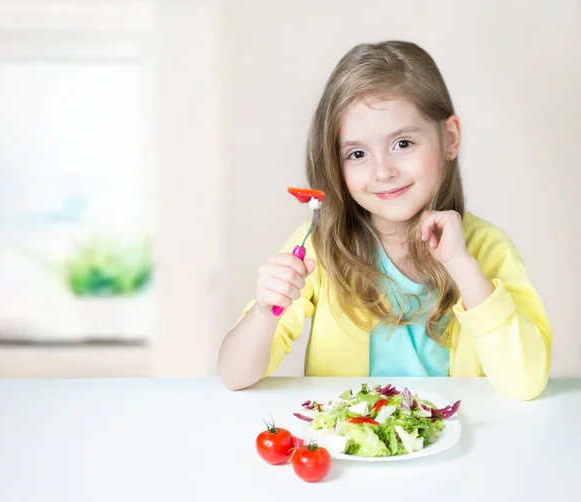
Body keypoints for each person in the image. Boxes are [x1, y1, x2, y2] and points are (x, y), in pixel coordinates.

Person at [217, 40, 552, 400]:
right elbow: (235, 375)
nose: (383, 171)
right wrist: (267, 310)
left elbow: (526, 382)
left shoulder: (487, 249)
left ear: (450, 138)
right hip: (352, 446)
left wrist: (461, 265)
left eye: (403, 143)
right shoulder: (322, 245)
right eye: (357, 153)